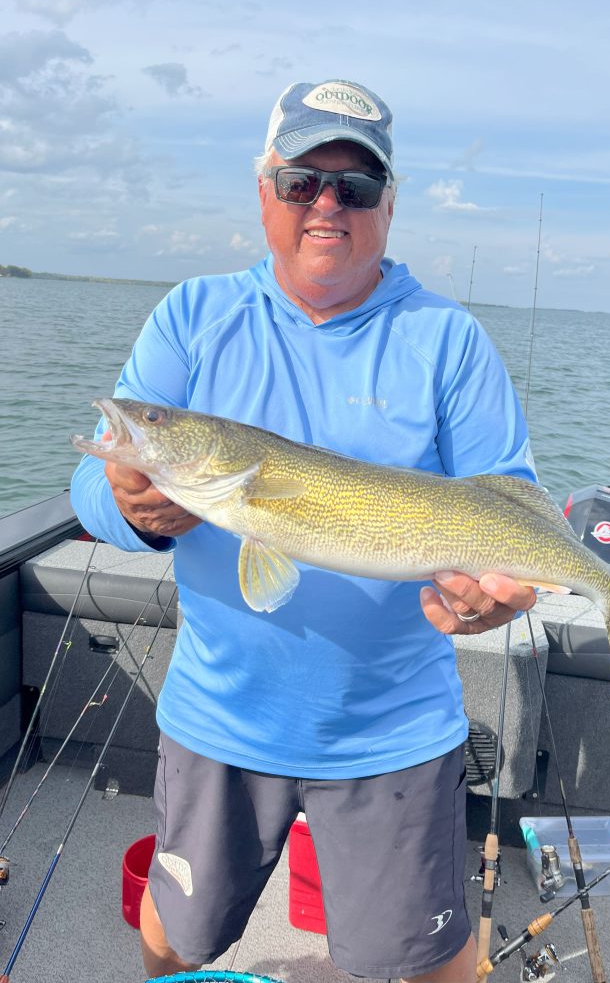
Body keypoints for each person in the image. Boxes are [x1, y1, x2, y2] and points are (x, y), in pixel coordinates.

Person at [71, 78, 538, 983]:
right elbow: (97, 489)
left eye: (355, 188)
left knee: (428, 964)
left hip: (393, 731)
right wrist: (131, 507)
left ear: (389, 207)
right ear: (264, 194)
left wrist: (496, 601)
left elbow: (507, 501)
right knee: (177, 933)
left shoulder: (449, 339)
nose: (327, 205)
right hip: (218, 718)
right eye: (301, 182)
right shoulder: (194, 317)